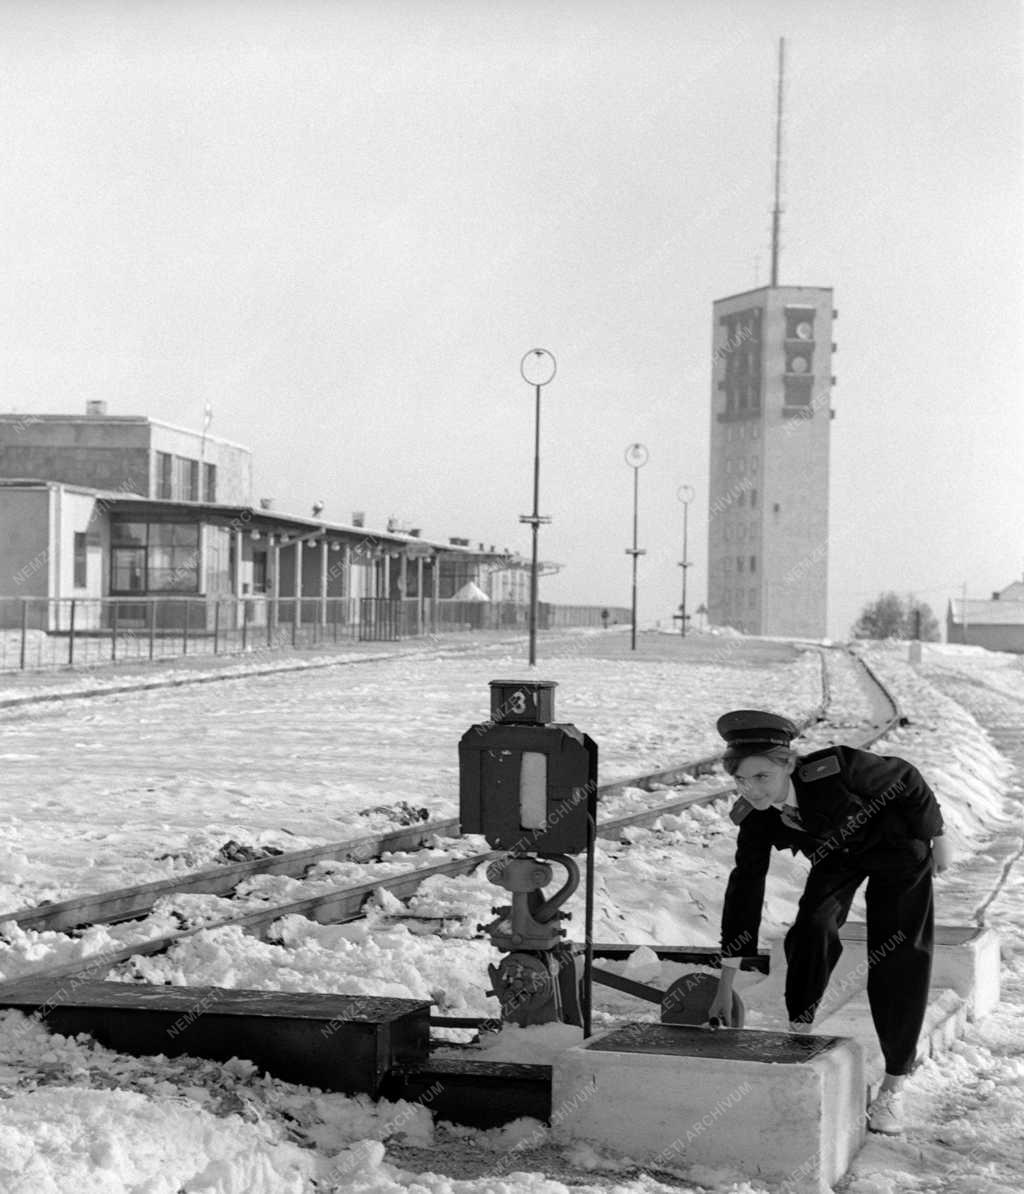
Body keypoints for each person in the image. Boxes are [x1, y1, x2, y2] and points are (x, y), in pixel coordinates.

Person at [707, 709, 952, 1136]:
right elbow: (745, 888)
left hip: (898, 847)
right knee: (811, 929)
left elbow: (907, 778)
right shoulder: (757, 814)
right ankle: (799, 1035)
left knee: (897, 955)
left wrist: (938, 835)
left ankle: (894, 1086)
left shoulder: (839, 769)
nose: (752, 788)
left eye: (762, 776)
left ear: (789, 764)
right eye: (742, 780)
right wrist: (725, 983)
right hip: (837, 856)